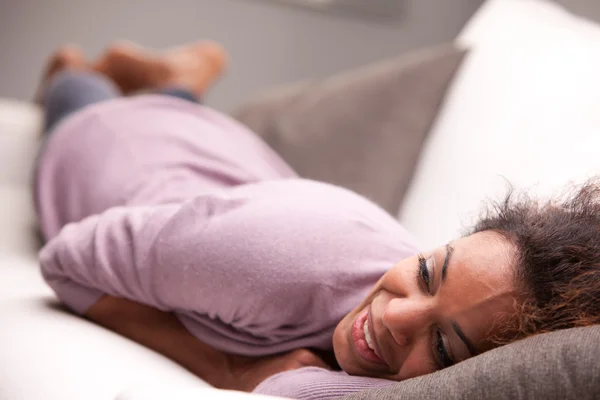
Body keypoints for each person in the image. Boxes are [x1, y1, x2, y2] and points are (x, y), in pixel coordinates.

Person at [34, 41, 600, 400]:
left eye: (445, 349)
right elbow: (67, 262)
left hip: (230, 177)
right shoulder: (286, 258)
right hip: (125, 151)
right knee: (75, 88)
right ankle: (161, 83)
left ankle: (183, 83)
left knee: (183, 125)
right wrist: (226, 369)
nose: (395, 315)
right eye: (428, 273)